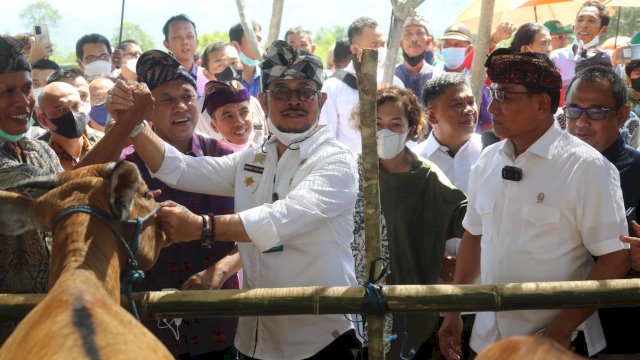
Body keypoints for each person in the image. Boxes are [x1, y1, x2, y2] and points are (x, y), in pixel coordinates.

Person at [86, 40, 361, 360]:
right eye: (281, 91)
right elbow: (178, 168)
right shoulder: (254, 159)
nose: (294, 100)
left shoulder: (336, 160)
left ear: (322, 99)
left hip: (322, 339)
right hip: (256, 341)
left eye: (305, 91)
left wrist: (201, 227)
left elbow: (280, 218)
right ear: (264, 99)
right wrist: (134, 122)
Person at [438, 49, 630, 359]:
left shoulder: (587, 167)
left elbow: (615, 259)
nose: (492, 106)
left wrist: (559, 330)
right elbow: (474, 236)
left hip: (556, 344)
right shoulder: (487, 160)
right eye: (491, 93)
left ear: (542, 104)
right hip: (487, 341)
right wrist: (454, 310)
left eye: (505, 96)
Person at [351, 86, 467, 360]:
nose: (385, 132)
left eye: (395, 124)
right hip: (357, 308)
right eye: (377, 123)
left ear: (411, 128)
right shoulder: (351, 173)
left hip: (411, 306)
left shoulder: (426, 177)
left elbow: (469, 221)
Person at [564, 65, 640, 356]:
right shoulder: (546, 167)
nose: (581, 122)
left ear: (621, 115)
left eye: (596, 111)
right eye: (573, 110)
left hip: (621, 335)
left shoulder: (637, 170)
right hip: (554, 330)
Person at [0, 35, 63, 344]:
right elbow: (63, 193)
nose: (22, 101)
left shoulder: (43, 150)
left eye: (26, 89)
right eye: (7, 91)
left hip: (51, 322)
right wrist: (129, 123)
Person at [320, 17, 404, 153]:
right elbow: (326, 138)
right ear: (355, 49)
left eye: (383, 44)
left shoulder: (394, 82)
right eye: (375, 45)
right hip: (348, 168)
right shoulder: (333, 87)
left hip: (388, 167)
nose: (381, 50)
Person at [37, 82, 100, 171]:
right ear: (44, 120)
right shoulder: (39, 159)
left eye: (75, 105)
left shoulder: (103, 144)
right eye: (61, 109)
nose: (72, 114)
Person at [550, 0, 611, 92]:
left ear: (604, 30)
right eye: (580, 20)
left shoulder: (609, 60)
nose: (583, 25)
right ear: (573, 27)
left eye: (591, 20)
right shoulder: (556, 57)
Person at [395, 10, 443, 103]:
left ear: (428, 42)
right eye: (408, 33)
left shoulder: (439, 77)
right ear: (400, 43)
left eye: (419, 33)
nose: (414, 39)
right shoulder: (390, 77)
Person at [200, 80, 263, 151]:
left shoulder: (268, 148)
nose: (239, 122)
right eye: (228, 116)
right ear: (214, 126)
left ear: (252, 115)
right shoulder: (215, 160)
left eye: (244, 112)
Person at [163, 14, 207, 97]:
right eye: (177, 37)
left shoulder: (207, 76)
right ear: (167, 44)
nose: (185, 41)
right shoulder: (160, 81)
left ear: (197, 42)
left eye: (190, 36)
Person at [229, 21, 263, 97]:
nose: (259, 45)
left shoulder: (268, 77)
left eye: (260, 40)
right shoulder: (225, 81)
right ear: (235, 45)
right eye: (253, 39)